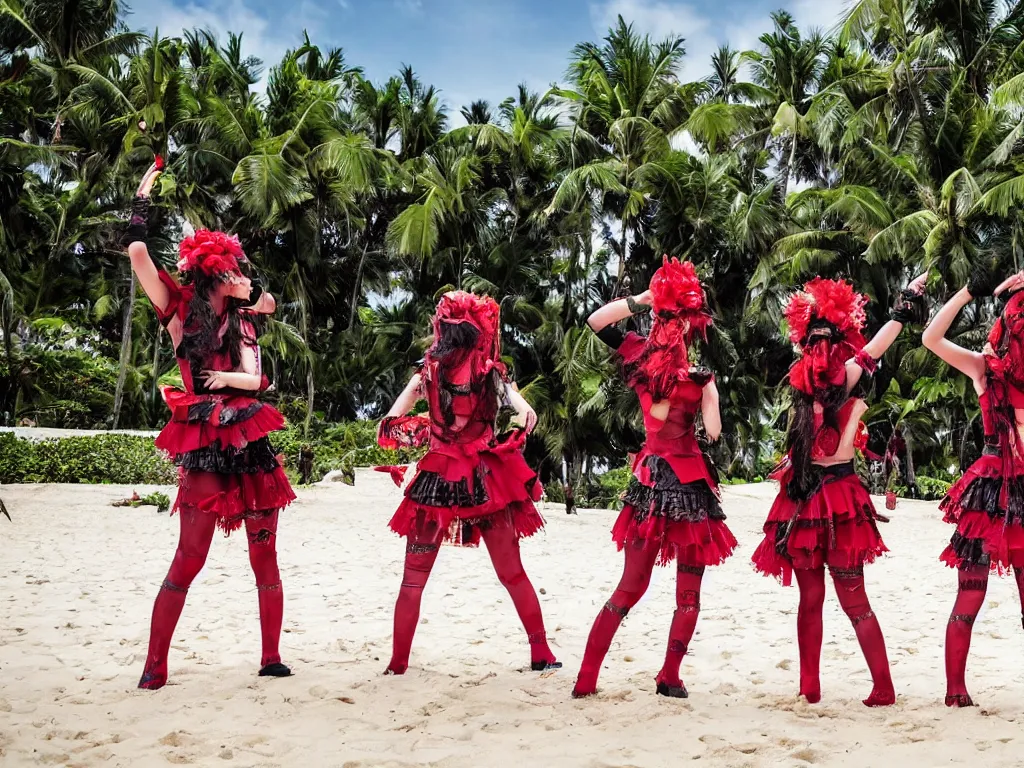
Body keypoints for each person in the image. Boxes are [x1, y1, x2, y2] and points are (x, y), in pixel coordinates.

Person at [123, 163, 296, 689]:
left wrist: (256, 306)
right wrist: (143, 196)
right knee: (190, 554)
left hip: (250, 438)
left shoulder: (245, 320)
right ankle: (155, 666)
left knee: (263, 551)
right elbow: (137, 255)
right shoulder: (177, 309)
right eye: (239, 269)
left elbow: (256, 372)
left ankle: (270, 656)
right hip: (204, 438)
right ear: (219, 274)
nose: (247, 275)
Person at [751, 274, 926, 707]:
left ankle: (812, 687)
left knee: (814, 600)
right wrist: (905, 302)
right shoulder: (846, 374)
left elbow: (879, 343)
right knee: (853, 599)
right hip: (837, 496)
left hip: (806, 497)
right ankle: (878, 686)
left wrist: (906, 305)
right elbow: (879, 344)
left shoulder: (801, 383)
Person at [572, 257, 734, 699]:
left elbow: (595, 321)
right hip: (690, 487)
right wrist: (710, 392)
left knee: (629, 587)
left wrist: (641, 299)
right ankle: (670, 676)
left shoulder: (639, 357)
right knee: (688, 594)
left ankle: (586, 679)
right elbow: (714, 433)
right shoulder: (699, 379)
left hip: (649, 481)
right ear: (686, 326)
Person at [378, 290, 560, 674]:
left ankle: (398, 663)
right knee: (512, 573)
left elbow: (391, 425)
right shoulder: (491, 373)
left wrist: (432, 431)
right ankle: (541, 653)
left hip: (436, 479)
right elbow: (527, 416)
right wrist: (507, 431)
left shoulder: (426, 370)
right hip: (485, 481)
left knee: (413, 579)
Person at [921, 268, 1024, 707]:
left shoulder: (986, 369)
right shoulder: (988, 368)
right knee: (974, 592)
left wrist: (966, 291)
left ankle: (955, 689)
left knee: (971, 592)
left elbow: (931, 338)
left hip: (990, 489)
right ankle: (954, 687)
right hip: (1001, 489)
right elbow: (930, 339)